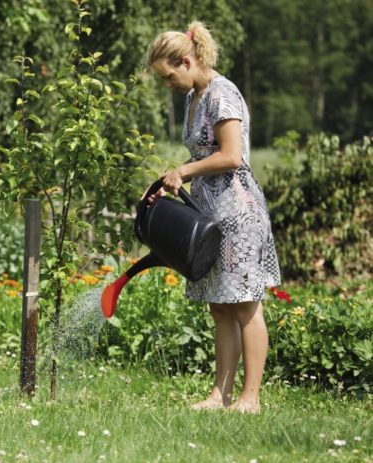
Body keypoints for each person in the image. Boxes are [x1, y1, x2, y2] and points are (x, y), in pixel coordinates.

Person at [145, 21, 281, 414]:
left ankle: (250, 398)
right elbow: (201, 154)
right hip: (209, 214)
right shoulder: (195, 97)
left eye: (169, 76)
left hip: (238, 213)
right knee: (220, 306)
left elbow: (231, 156)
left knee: (244, 305)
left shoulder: (222, 94)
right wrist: (165, 181)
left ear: (186, 61)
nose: (168, 85)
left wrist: (184, 172)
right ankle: (219, 395)